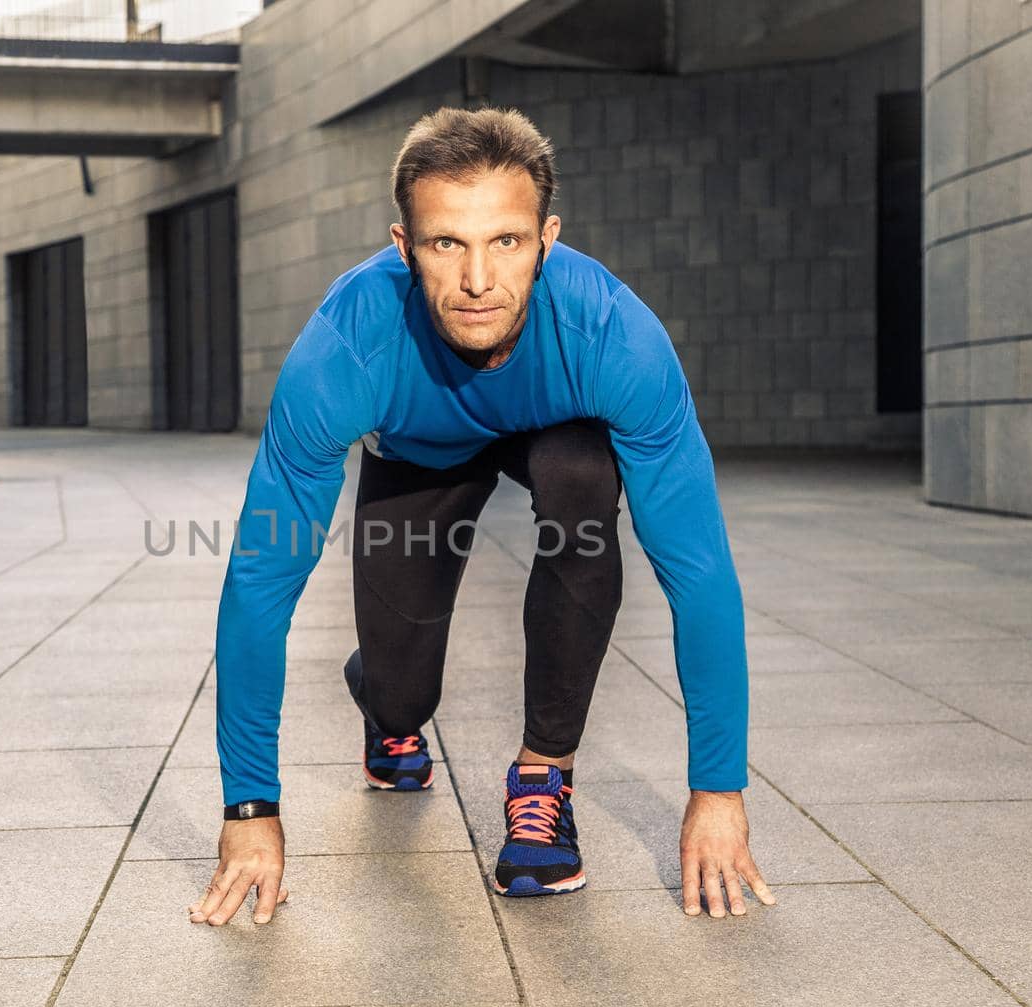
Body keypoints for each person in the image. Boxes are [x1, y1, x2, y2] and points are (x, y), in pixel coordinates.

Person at [189, 104, 775, 926]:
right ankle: (384, 708)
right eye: (445, 243)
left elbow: (699, 568)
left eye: (505, 241)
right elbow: (262, 573)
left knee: (582, 478)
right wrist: (249, 812)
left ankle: (543, 778)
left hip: (551, 435)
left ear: (546, 239)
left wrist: (719, 788)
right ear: (403, 247)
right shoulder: (345, 350)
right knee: (401, 696)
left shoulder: (614, 335)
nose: (476, 280)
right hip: (418, 457)